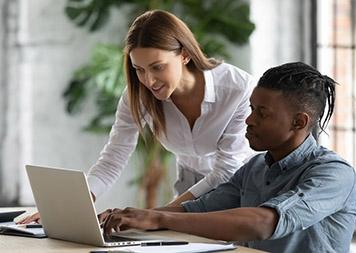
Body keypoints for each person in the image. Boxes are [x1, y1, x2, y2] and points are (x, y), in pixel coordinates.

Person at [18, 9, 254, 223]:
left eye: (157, 67)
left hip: (240, 191)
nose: (149, 81)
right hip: (187, 190)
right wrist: (69, 208)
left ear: (184, 54)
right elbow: (113, 159)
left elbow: (226, 171)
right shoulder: (139, 96)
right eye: (139, 70)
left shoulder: (237, 89)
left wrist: (157, 215)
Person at [101, 62, 356, 253]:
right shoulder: (256, 167)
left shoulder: (334, 174)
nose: (249, 120)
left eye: (262, 113)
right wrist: (130, 217)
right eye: (251, 109)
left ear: (299, 122)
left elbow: (265, 222)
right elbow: (197, 208)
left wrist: (157, 218)